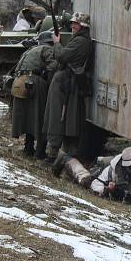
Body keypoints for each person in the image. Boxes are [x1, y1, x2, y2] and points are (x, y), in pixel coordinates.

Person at [41, 12, 92, 162]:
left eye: (76, 24)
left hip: (66, 83)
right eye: (73, 23)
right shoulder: (79, 40)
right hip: (67, 82)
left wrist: (57, 43)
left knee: (58, 117)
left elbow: (62, 56)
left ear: (83, 26)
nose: (72, 26)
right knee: (64, 118)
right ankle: (65, 154)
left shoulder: (81, 41)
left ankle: (54, 154)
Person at [11, 30, 58, 158]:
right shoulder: (47, 49)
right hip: (35, 82)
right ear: (49, 42)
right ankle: (40, 151)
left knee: (27, 117)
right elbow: (53, 66)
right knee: (41, 116)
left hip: (19, 83)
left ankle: (28, 147)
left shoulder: (30, 50)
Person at [53, 146, 131, 205]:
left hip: (121, 194)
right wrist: (106, 189)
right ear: (130, 164)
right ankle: (65, 158)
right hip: (99, 174)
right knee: (83, 178)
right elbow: (95, 185)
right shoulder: (112, 170)